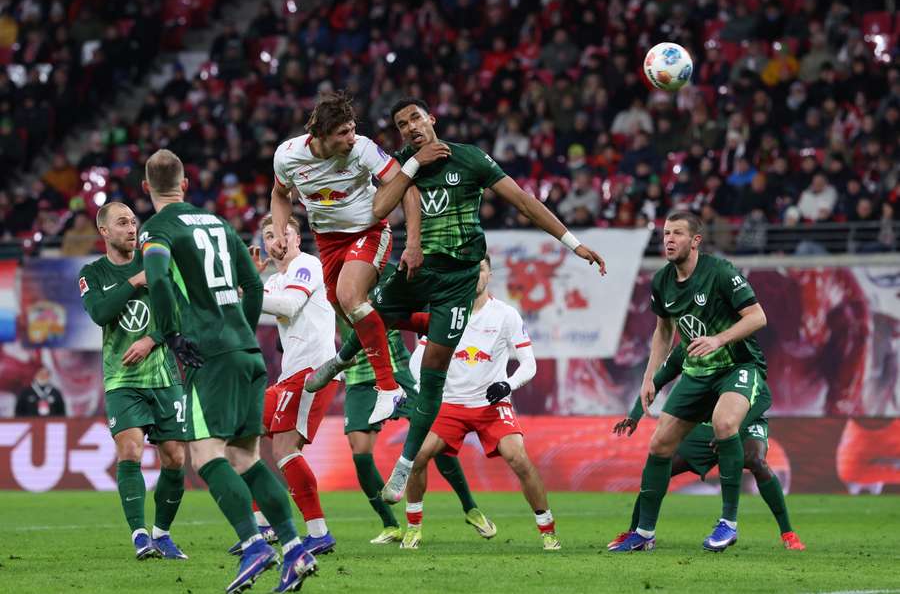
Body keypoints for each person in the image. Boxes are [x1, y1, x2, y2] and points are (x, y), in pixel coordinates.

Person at [306, 96, 606, 505]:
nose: (410, 127)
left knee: (434, 372)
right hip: (417, 270)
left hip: (458, 281)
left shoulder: (470, 159)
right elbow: (378, 207)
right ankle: (340, 361)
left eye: (415, 118)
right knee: (367, 311)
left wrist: (574, 244)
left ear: (431, 119)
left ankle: (405, 465)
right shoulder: (398, 164)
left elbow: (524, 202)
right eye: (401, 124)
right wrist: (412, 168)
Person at [138, 150, 316, 593]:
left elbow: (156, 279)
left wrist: (171, 335)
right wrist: (243, 332)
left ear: (146, 188)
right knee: (245, 458)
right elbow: (253, 285)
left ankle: (254, 546)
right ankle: (295, 548)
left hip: (210, 354)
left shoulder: (157, 229)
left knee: (205, 456)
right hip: (246, 351)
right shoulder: (218, 223)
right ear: (185, 184)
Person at [609, 210, 770, 553]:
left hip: (737, 365)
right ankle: (644, 534)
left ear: (695, 241)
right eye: (666, 233)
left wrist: (718, 339)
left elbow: (757, 317)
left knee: (724, 423)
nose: (669, 239)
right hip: (698, 373)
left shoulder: (721, 272)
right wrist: (650, 377)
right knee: (659, 445)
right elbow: (663, 331)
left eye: (677, 233)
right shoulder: (662, 281)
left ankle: (728, 524)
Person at [269, 91, 422, 425]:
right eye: (343, 132)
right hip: (327, 240)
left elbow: (406, 186)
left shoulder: (363, 149)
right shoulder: (288, 156)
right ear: (320, 135)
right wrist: (280, 231)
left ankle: (389, 389)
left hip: (369, 231)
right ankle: (430, 324)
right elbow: (280, 194)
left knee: (350, 296)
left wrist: (413, 242)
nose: (352, 137)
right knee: (353, 315)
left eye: (353, 129)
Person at [404, 255, 556, 550]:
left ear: (489, 274)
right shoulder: (445, 312)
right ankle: (413, 528)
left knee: (519, 459)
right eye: (469, 271)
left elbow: (529, 364)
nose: (475, 275)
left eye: (481, 270)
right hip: (450, 404)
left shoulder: (506, 315)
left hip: (491, 405)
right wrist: (425, 389)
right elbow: (417, 359)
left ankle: (547, 530)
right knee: (417, 457)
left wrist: (507, 384)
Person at [609, 344, 806, 551]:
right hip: (704, 424)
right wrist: (635, 415)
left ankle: (788, 534)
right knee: (661, 465)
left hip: (745, 421)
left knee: (756, 460)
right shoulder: (685, 350)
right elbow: (656, 381)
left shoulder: (734, 349)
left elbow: (764, 395)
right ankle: (638, 533)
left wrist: (733, 430)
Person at [224, 213, 340, 557]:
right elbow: (245, 313)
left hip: (313, 372)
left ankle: (318, 532)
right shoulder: (274, 280)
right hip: (289, 376)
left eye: (284, 233)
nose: (277, 240)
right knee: (241, 435)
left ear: (297, 238)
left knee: (285, 450)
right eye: (270, 235)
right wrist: (249, 284)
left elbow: (289, 306)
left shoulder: (307, 265)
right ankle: (263, 525)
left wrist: (250, 290)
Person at [77, 202, 187, 561]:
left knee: (175, 457)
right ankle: (140, 535)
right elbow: (100, 313)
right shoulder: (92, 273)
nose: (131, 228)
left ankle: (163, 534)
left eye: (133, 222)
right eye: (122, 223)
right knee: (130, 450)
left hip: (164, 374)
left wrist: (152, 339)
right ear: (104, 231)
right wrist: (135, 281)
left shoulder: (155, 260)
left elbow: (179, 312)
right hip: (122, 378)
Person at [337, 315, 495, 545]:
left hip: (396, 369)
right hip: (357, 377)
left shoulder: (381, 291)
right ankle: (390, 524)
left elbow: (419, 317)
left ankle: (470, 508)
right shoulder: (333, 295)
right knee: (360, 453)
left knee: (435, 436)